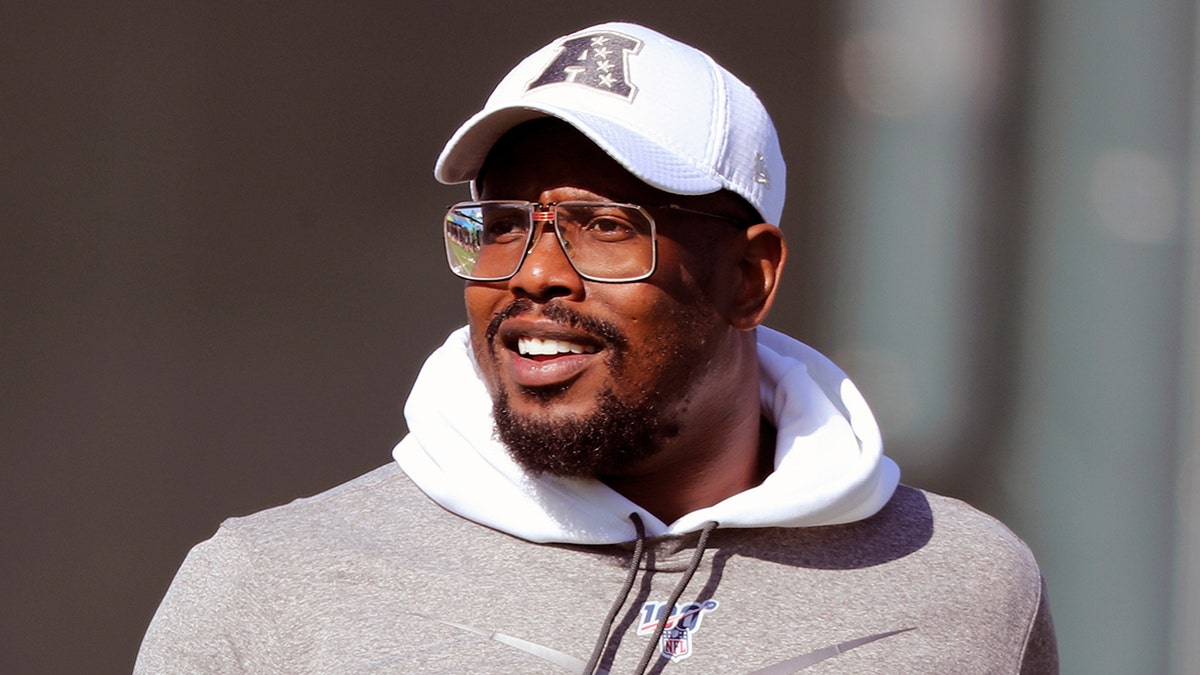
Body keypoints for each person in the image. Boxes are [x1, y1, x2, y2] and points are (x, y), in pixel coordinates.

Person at [136, 22, 1057, 674]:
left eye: (606, 225)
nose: (534, 272)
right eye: (500, 223)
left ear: (749, 278)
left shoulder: (961, 587)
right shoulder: (268, 588)